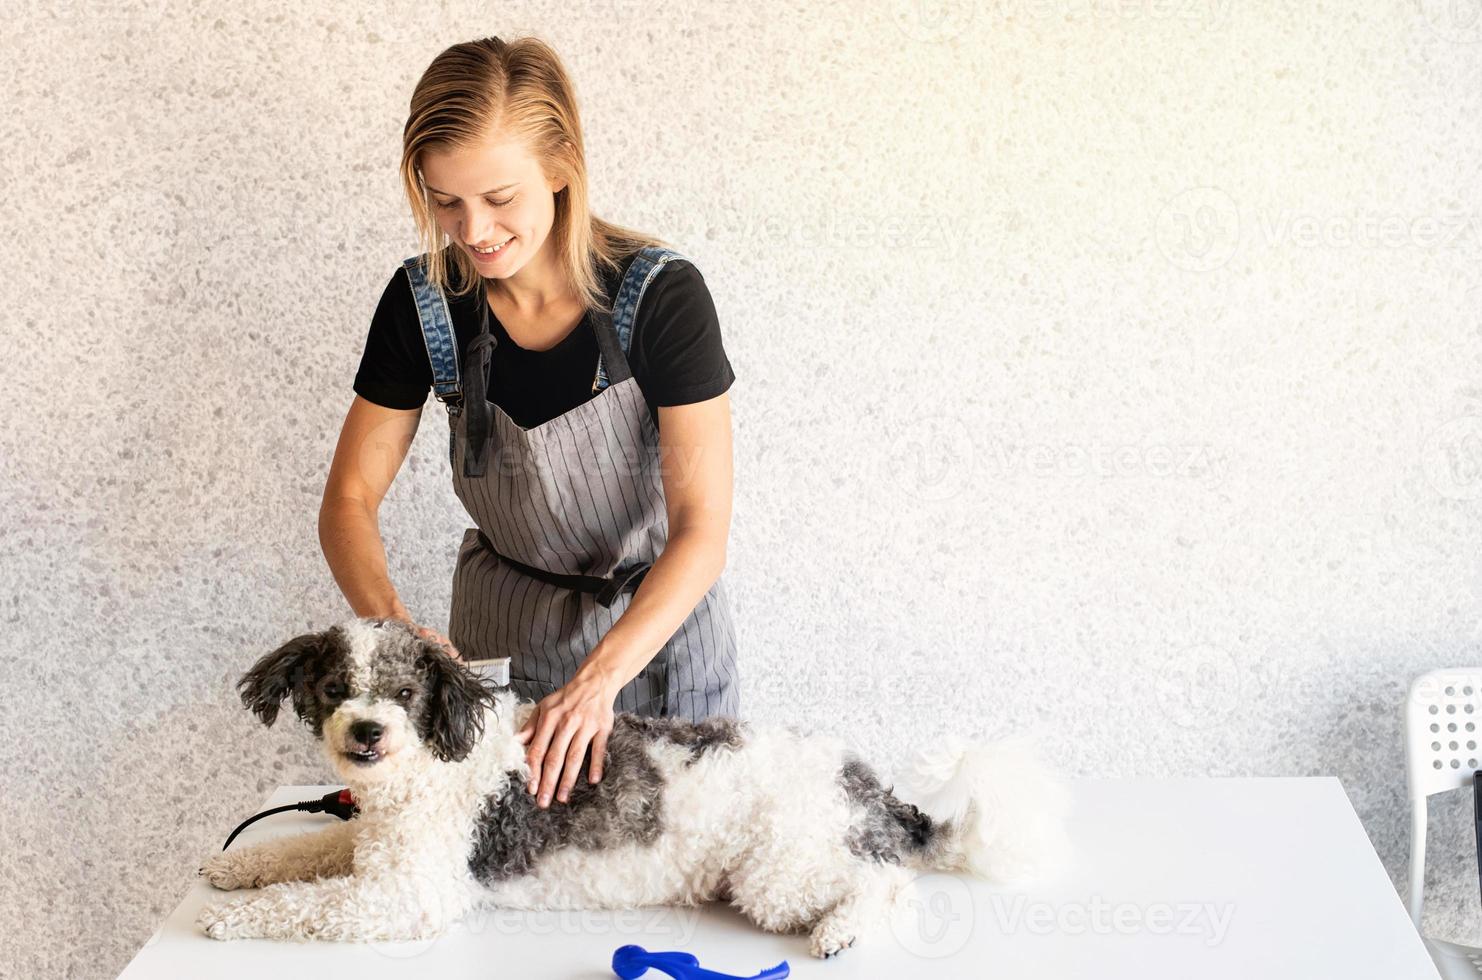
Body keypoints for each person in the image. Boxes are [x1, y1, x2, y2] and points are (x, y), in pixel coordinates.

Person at [318, 35, 740, 813]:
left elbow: (701, 531)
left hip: (656, 638)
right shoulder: (425, 305)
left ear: (560, 165)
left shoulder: (663, 298)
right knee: (499, 872)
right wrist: (397, 632)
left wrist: (599, 681)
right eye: (444, 200)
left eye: (498, 197)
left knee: (671, 870)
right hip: (502, 627)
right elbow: (348, 499)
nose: (472, 229)